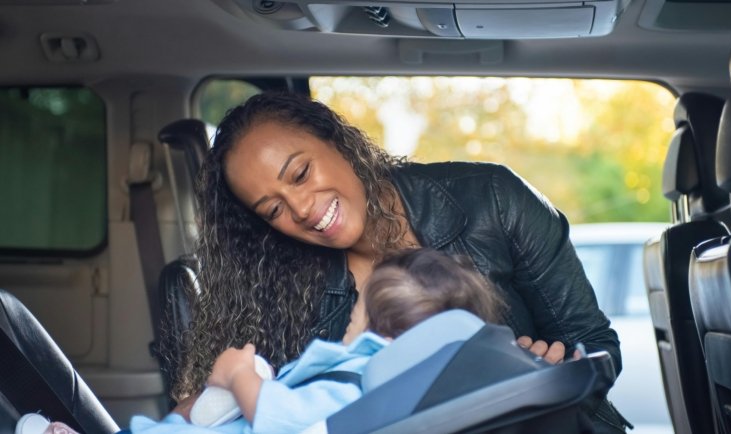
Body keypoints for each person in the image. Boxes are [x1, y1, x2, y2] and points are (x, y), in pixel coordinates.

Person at [172, 91, 628, 432]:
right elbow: (252, 397)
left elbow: (595, 343)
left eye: (301, 173)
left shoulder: (494, 198)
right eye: (273, 210)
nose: (303, 209)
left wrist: (549, 367)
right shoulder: (280, 282)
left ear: (336, 141)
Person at [127, 248, 504, 434]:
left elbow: (284, 421)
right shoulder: (406, 390)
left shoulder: (364, 384)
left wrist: (238, 375)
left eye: (359, 305)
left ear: (375, 326)